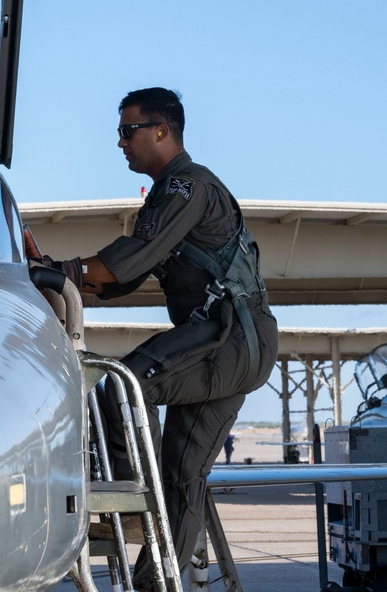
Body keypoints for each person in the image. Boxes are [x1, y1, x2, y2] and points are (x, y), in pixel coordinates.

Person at [44, 87, 278, 588]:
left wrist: (56, 270)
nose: (121, 143)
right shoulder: (172, 193)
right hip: (236, 343)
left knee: (126, 382)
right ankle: (156, 582)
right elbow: (121, 278)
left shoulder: (186, 186)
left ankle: (129, 498)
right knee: (182, 474)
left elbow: (126, 261)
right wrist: (53, 271)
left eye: (128, 131)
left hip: (227, 336)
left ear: (161, 131)